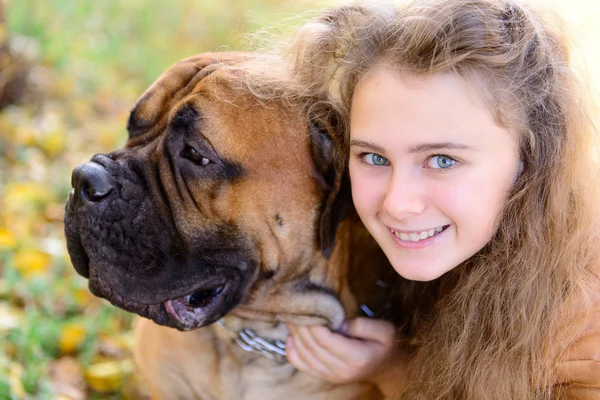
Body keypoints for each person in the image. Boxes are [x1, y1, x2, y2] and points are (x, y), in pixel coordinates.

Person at [276, 0, 600, 398]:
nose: (397, 203)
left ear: (530, 159)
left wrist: (395, 373)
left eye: (442, 160)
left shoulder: (586, 326)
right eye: (374, 157)